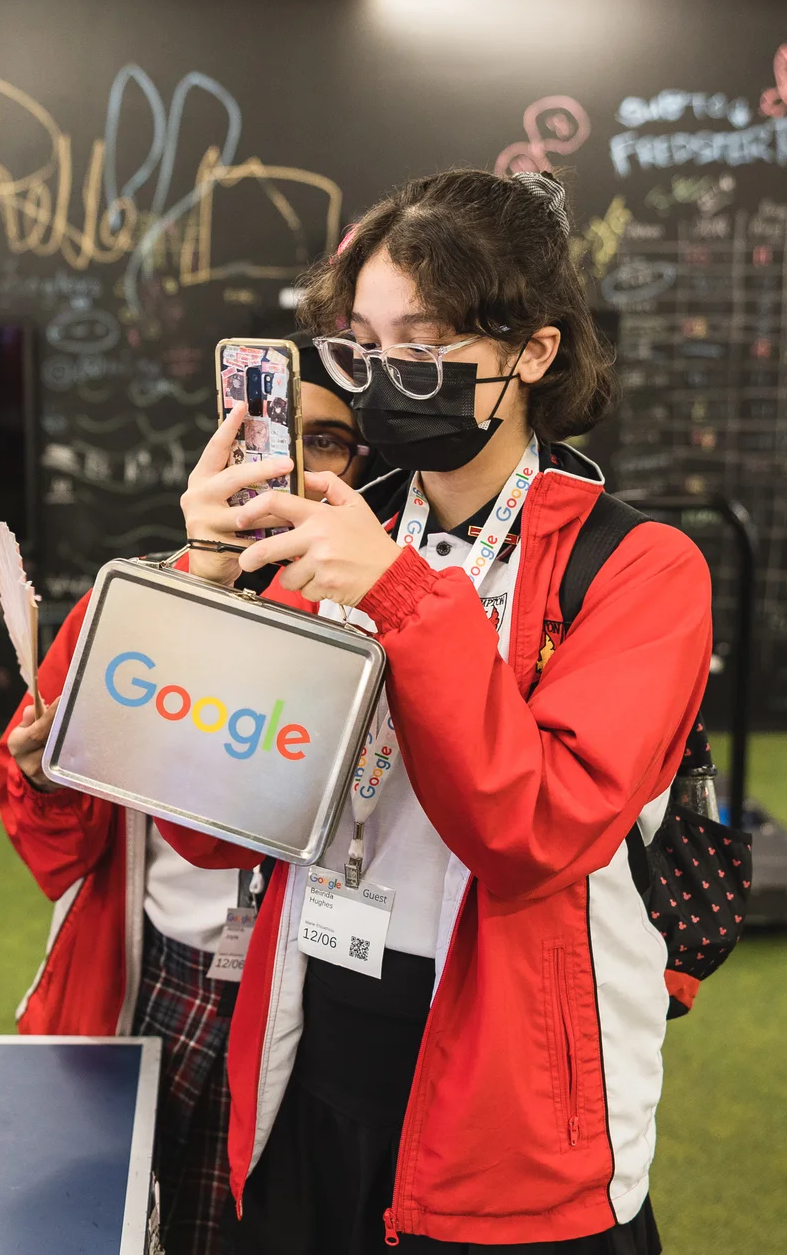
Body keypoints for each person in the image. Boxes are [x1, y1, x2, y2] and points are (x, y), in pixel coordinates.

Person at [166, 169, 710, 1253]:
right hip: (311, 1033)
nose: (380, 377)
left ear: (532, 352)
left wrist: (399, 594)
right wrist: (206, 583)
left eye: (422, 340)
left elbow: (533, 830)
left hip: (511, 1091)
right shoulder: (323, 530)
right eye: (360, 344)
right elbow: (205, 825)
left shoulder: (641, 569)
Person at [0, 356, 372, 1255]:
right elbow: (51, 844)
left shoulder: (385, 622)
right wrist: (46, 774)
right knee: (118, 1224)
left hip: (310, 996)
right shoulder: (137, 597)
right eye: (272, 435)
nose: (292, 467)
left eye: (327, 442)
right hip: (154, 977)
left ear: (367, 461)